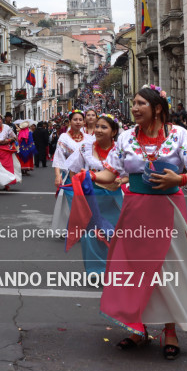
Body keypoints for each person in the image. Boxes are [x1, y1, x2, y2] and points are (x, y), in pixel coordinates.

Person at [91, 86, 187, 360]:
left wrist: (179, 180)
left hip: (168, 210)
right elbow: (109, 173)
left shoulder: (179, 134)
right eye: (133, 103)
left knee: (167, 272)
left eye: (140, 104)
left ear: (157, 108)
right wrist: (86, 177)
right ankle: (137, 329)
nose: (134, 108)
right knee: (134, 271)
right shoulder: (125, 137)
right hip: (135, 211)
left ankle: (170, 331)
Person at [75, 113, 124, 274]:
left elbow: (133, 170)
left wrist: (123, 181)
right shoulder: (85, 147)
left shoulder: (121, 149)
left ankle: (114, 268)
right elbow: (75, 169)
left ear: (114, 131)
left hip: (115, 196)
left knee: (116, 231)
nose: (99, 130)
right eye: (97, 126)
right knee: (91, 233)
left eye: (104, 127)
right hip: (92, 195)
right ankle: (96, 270)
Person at [51, 110, 95, 233]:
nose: (78, 122)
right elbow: (59, 156)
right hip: (69, 176)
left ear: (84, 122)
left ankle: (83, 228)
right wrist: (57, 175)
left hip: (85, 176)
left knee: (85, 202)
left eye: (80, 120)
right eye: (75, 119)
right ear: (69, 121)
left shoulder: (89, 138)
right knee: (72, 202)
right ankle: (73, 228)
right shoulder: (64, 137)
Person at [0, 114, 21, 191]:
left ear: (2, 120)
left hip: (5, 150)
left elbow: (14, 137)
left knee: (7, 168)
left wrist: (7, 140)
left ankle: (7, 184)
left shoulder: (7, 127)